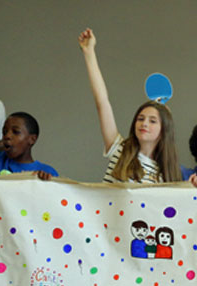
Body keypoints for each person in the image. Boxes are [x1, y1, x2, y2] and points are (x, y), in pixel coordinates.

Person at [78, 28, 182, 183]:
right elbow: (102, 101)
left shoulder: (165, 176)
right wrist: (89, 52)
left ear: (164, 130)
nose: (144, 123)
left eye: (152, 121)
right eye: (140, 118)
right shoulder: (119, 150)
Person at [0, 112, 58, 179]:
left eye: (16, 132)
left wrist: (46, 182)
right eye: (4, 132)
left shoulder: (47, 172)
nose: (7, 136)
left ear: (32, 139)